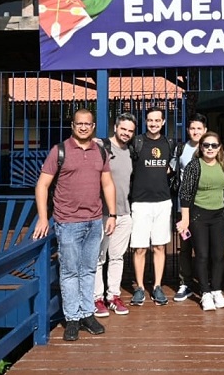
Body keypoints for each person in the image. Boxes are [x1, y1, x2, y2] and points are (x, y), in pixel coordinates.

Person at [33, 108, 116, 342]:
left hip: (94, 221)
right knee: (70, 272)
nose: (83, 127)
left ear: (93, 127)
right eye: (79, 123)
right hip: (68, 222)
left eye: (87, 124)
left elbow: (107, 184)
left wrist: (113, 214)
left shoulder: (100, 151)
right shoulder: (59, 151)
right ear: (72, 125)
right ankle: (72, 319)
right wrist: (42, 217)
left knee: (89, 269)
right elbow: (42, 186)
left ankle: (87, 314)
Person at [175, 131, 224, 311]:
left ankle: (216, 289)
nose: (210, 148)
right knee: (202, 255)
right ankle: (205, 292)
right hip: (199, 214)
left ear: (219, 147)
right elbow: (185, 193)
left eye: (214, 145)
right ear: (201, 147)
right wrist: (185, 219)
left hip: (218, 215)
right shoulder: (194, 165)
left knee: (218, 255)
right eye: (206, 145)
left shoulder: (223, 165)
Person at [129, 107, 176, 306]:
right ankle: (139, 287)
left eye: (157, 120)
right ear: (145, 121)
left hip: (163, 202)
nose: (154, 123)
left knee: (159, 246)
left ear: (163, 122)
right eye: (150, 120)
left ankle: (157, 286)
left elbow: (175, 164)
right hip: (140, 202)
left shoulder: (169, 143)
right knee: (139, 248)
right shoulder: (137, 142)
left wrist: (172, 168)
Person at [92, 113, 137, 317]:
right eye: (123, 129)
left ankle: (113, 296)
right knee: (99, 257)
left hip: (124, 212)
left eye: (130, 131)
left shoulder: (131, 151)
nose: (126, 133)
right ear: (116, 127)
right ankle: (96, 298)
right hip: (102, 213)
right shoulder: (101, 146)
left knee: (117, 257)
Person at [174, 113, 208, 303]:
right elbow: (171, 170)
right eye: (192, 128)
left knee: (205, 247)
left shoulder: (210, 147)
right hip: (184, 206)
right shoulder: (181, 149)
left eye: (199, 128)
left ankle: (206, 283)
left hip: (205, 206)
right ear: (188, 130)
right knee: (185, 246)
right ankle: (185, 282)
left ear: (205, 130)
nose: (196, 132)